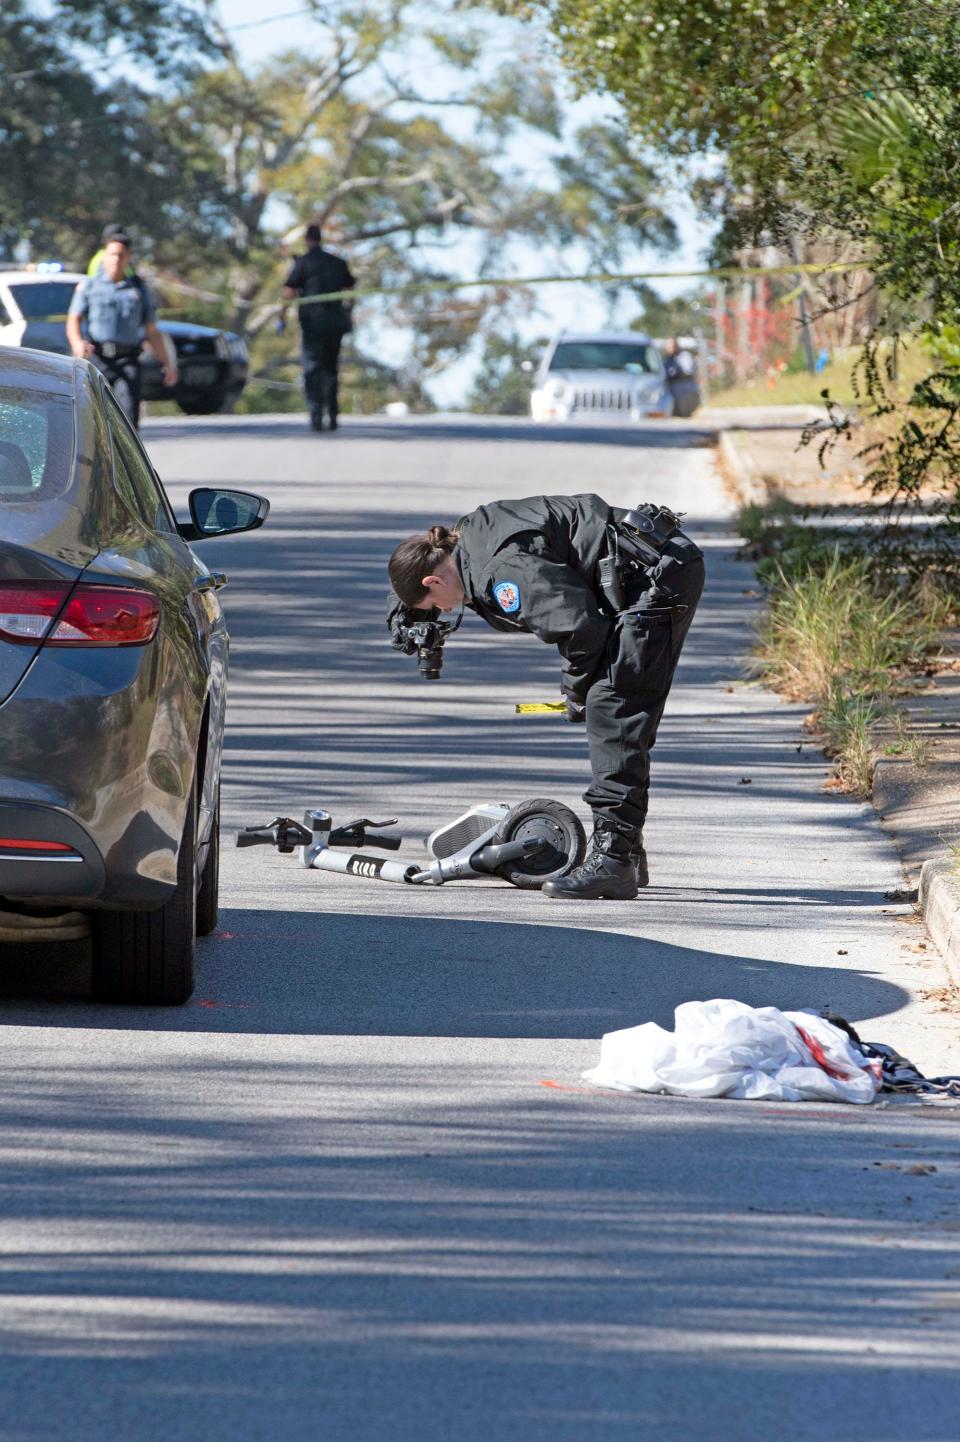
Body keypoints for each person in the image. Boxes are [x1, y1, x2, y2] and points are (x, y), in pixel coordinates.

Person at [387, 494, 705, 900]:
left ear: (433, 580)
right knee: (612, 701)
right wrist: (406, 613)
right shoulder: (462, 537)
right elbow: (414, 571)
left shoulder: (500, 574)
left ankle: (614, 862)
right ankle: (628, 853)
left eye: (435, 606)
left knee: (613, 708)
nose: (446, 613)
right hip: (647, 562)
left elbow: (580, 628)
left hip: (656, 578)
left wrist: (575, 693)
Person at [67, 231, 176, 427]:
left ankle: (124, 456)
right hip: (98, 358)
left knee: (128, 416)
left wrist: (168, 364)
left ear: (128, 257)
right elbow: (73, 320)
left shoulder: (139, 290)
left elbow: (152, 331)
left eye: (121, 255)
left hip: (128, 358)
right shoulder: (90, 286)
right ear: (104, 255)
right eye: (112, 254)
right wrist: (77, 343)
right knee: (92, 415)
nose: (116, 259)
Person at [280, 223, 355, 432]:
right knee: (331, 367)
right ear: (320, 238)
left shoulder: (303, 263)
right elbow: (350, 290)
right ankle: (332, 413)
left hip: (312, 323)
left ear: (307, 240)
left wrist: (282, 316)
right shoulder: (337, 262)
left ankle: (316, 413)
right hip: (335, 323)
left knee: (312, 367)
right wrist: (349, 313)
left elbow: (289, 291)